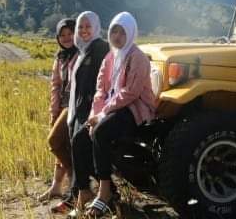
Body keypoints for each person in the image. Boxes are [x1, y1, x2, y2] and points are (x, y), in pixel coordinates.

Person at [72, 11, 156, 217]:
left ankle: (105, 191)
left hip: (134, 109)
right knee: (78, 139)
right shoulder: (110, 57)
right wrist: (95, 114)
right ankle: (83, 190)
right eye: (114, 31)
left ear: (131, 33)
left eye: (122, 32)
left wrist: (102, 115)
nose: (117, 36)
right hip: (110, 109)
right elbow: (101, 90)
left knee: (101, 132)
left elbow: (131, 93)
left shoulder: (138, 58)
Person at [67, 11, 110, 213]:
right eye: (81, 27)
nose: (84, 30)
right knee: (79, 149)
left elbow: (102, 84)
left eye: (88, 26)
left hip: (93, 109)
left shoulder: (100, 47)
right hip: (80, 109)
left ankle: (93, 193)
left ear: (95, 27)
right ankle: (81, 193)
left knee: (82, 145)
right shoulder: (83, 50)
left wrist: (95, 110)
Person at [38, 18, 78, 212]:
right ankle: (56, 186)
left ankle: (75, 179)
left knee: (54, 141)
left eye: (70, 33)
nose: (66, 38)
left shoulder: (82, 53)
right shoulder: (60, 57)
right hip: (61, 106)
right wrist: (53, 111)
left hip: (75, 106)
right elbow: (55, 85)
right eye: (62, 35)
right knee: (61, 144)